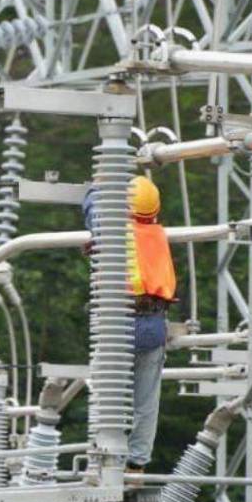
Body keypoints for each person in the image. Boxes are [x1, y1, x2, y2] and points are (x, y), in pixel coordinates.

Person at [82, 176, 176, 475]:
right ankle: (136, 464)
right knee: (146, 399)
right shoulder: (156, 235)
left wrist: (98, 183)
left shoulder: (116, 230)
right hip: (155, 323)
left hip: (119, 320)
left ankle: (103, 457)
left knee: (104, 390)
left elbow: (93, 206)